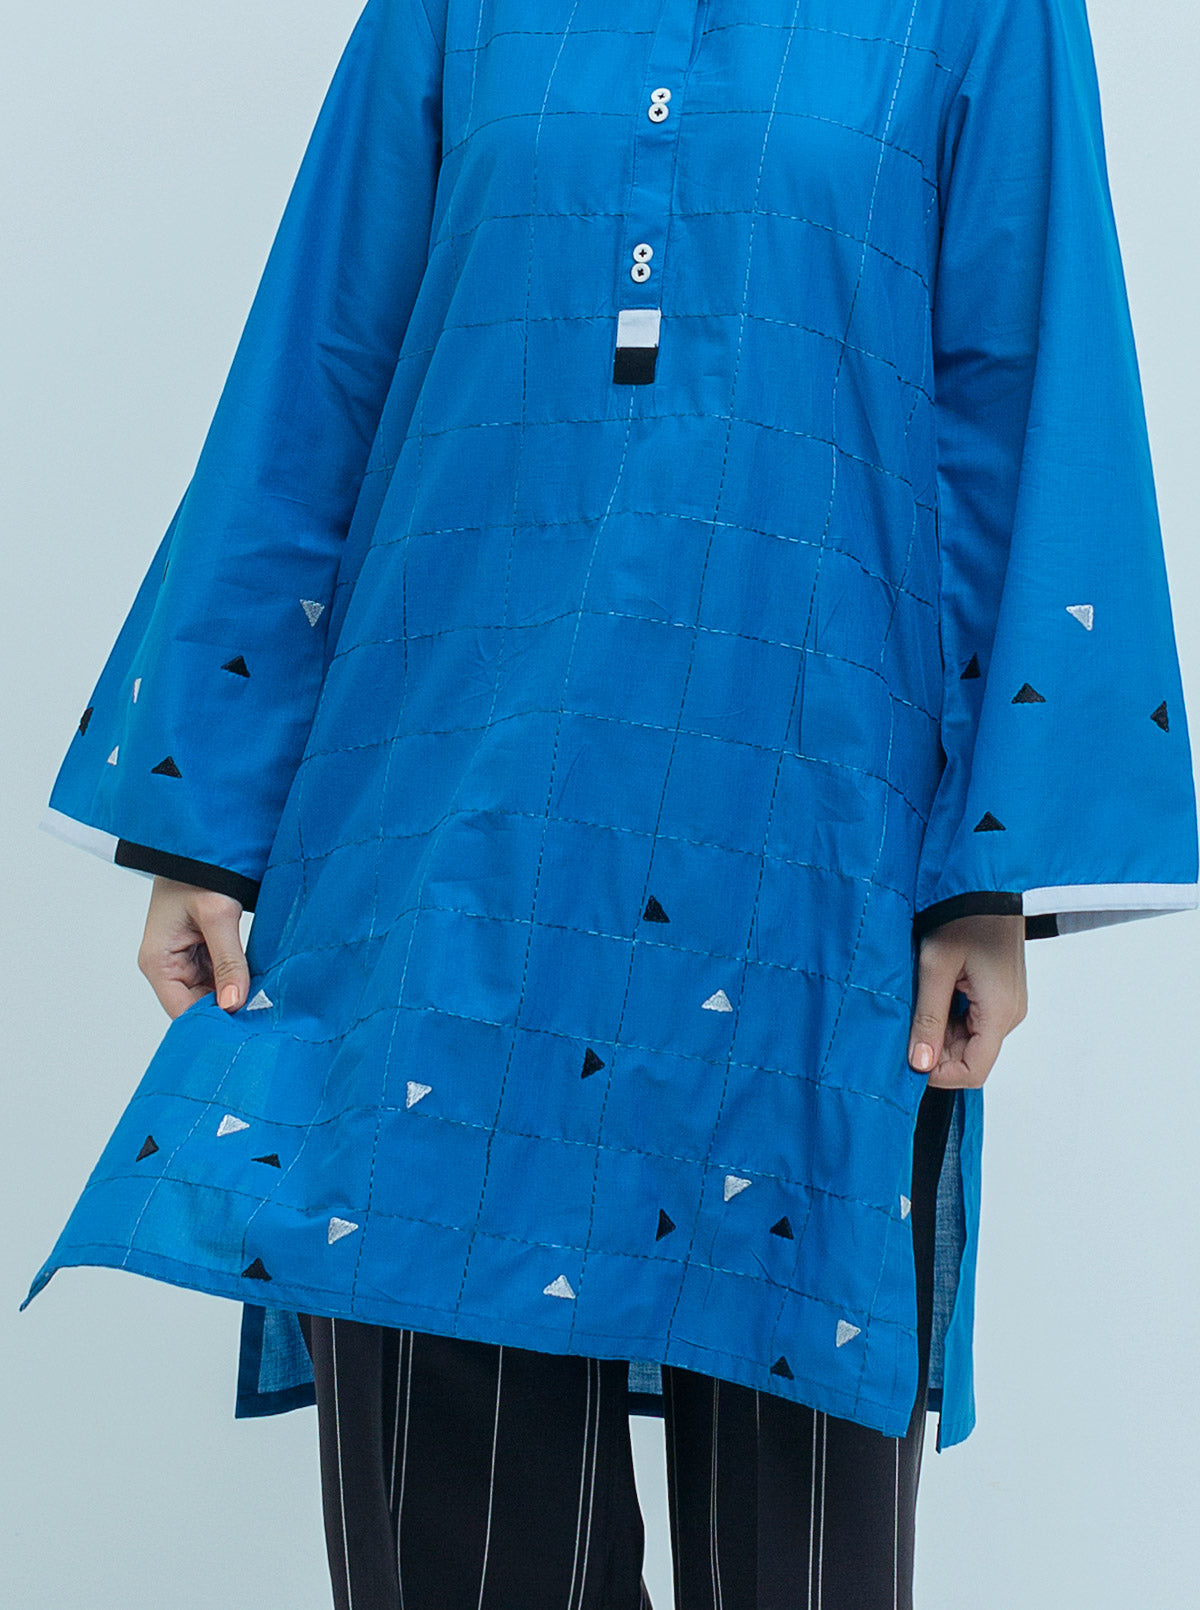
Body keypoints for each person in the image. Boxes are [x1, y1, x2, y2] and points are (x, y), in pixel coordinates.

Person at [21, 1, 1198, 1606]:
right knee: (455, 1538)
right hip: (440, 868)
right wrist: (207, 821)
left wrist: (982, 875)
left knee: (802, 1550)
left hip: (814, 884)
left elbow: (1026, 397)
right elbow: (323, 366)